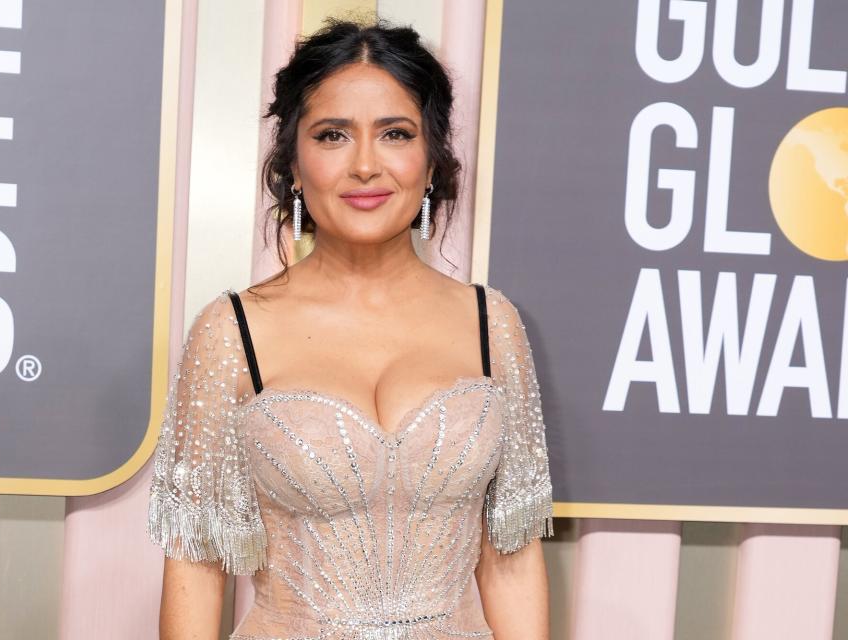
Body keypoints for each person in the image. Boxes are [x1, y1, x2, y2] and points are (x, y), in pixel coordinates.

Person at [147, 17, 554, 640]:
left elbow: (512, 561)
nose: (366, 165)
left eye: (395, 133)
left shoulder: (491, 324)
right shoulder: (230, 332)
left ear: (432, 155)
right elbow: (198, 568)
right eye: (333, 135)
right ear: (292, 160)